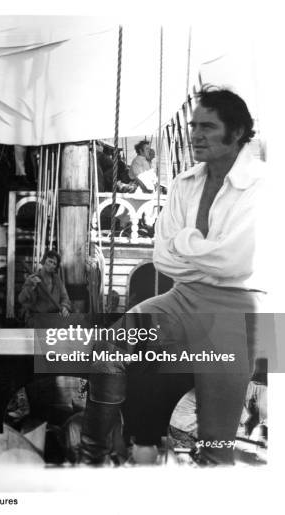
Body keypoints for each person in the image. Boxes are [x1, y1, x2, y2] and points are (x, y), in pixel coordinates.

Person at [77, 86, 272, 465]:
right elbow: (163, 258)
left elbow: (237, 262)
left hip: (236, 310)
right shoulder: (185, 183)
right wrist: (201, 249)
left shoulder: (264, 186)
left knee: (217, 444)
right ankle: (94, 457)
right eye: (193, 125)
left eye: (207, 127)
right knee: (108, 350)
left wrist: (185, 242)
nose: (195, 134)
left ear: (236, 133)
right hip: (181, 298)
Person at [18, 250, 71, 325]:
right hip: (36, 319)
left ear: (56, 267)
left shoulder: (57, 280)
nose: (51, 265)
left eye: (54, 263)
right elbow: (21, 299)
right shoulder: (32, 278)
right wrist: (32, 287)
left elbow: (65, 297)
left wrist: (64, 307)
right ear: (44, 260)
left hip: (53, 319)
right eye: (50, 261)